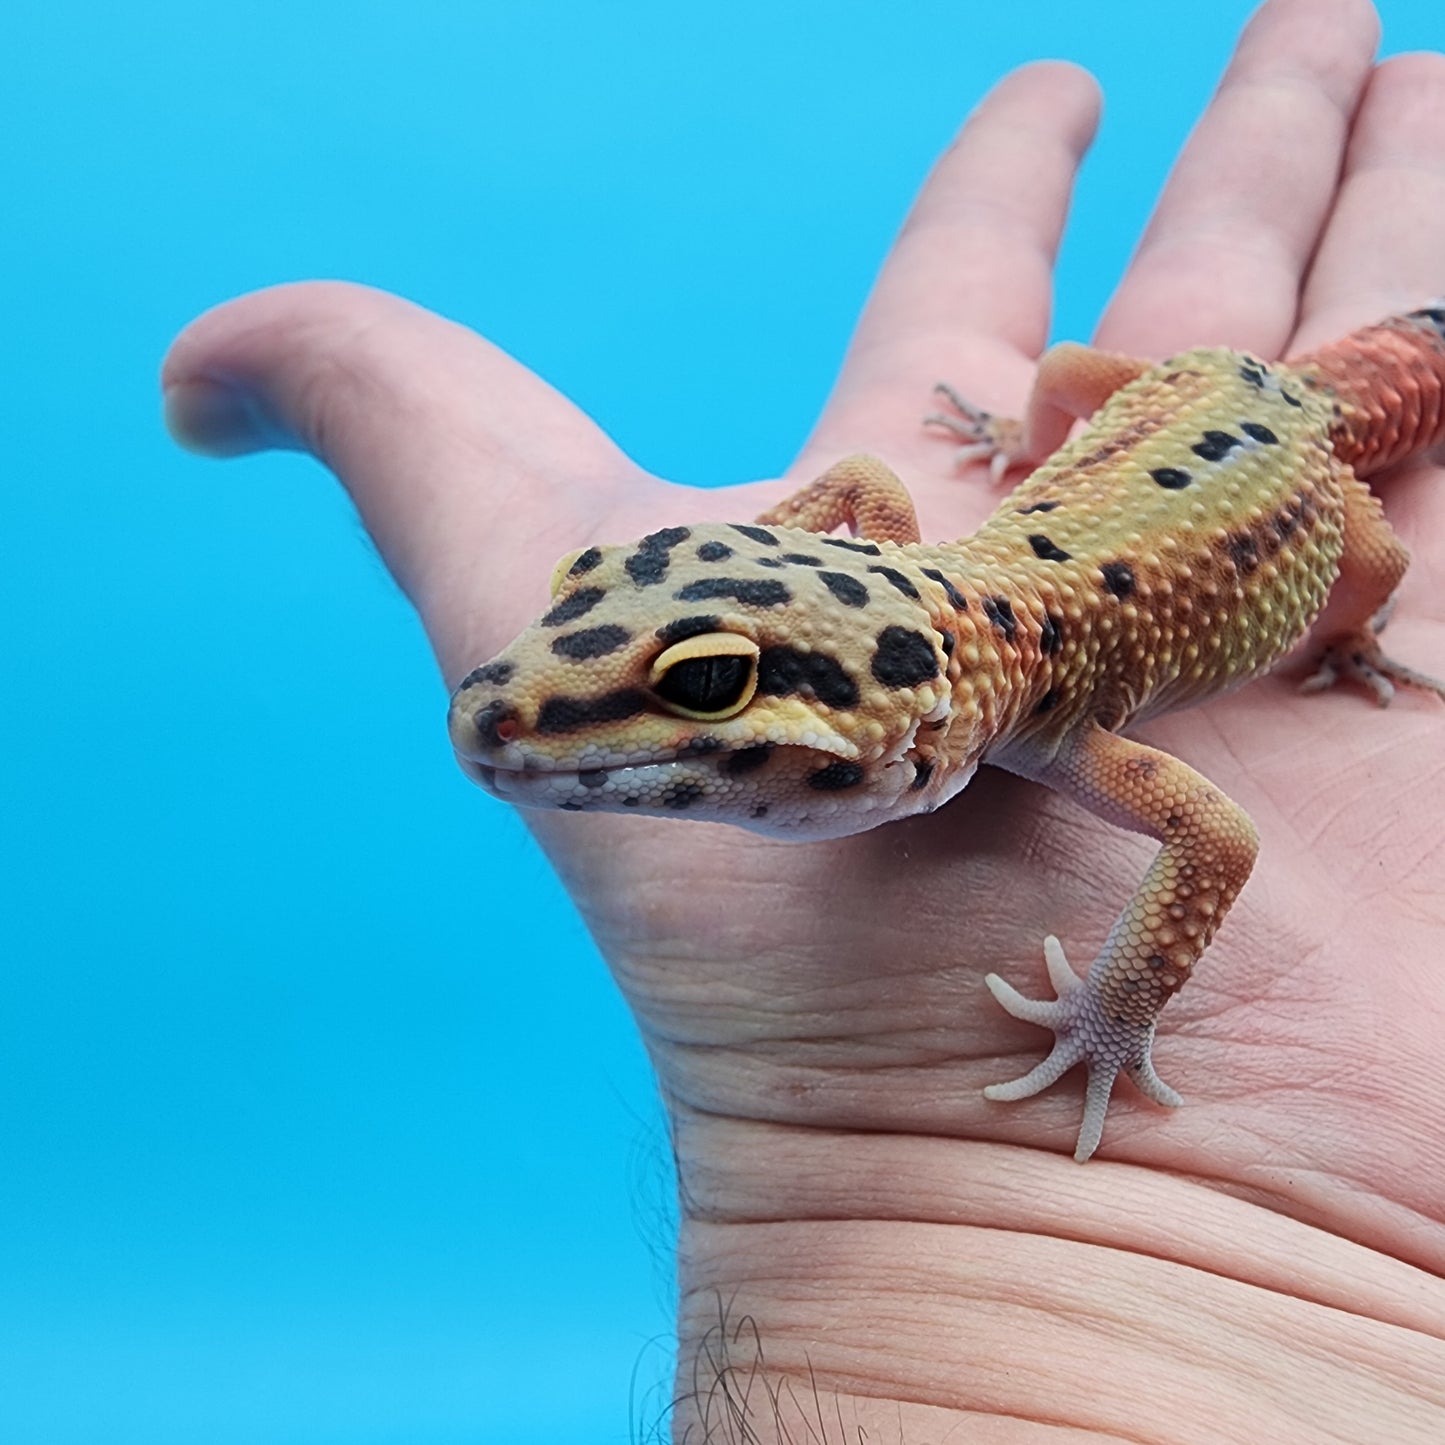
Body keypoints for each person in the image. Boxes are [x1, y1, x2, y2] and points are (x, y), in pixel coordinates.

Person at [162, 0, 1445, 1437]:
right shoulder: (926, 596)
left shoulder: (1055, 725)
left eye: (705, 680)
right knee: (1093, 372)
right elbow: (866, 497)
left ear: (913, 723)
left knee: (1368, 548)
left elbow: (1213, 834)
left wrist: (1118, 1002)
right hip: (1169, 416)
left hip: (1290, 447)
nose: (519, 715)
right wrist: (792, 574)